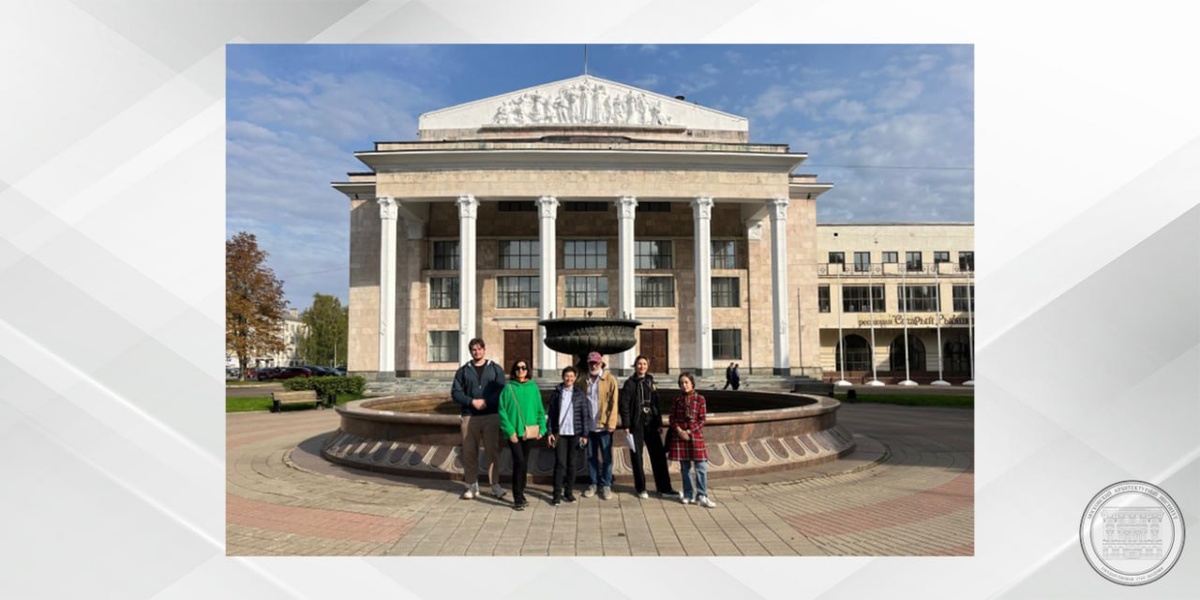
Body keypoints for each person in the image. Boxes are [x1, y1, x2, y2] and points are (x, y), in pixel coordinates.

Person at [450, 337, 507, 500]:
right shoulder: (463, 371)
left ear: (484, 350)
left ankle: (495, 485)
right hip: (470, 416)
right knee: (469, 451)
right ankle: (471, 485)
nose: (477, 352)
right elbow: (456, 392)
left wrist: (487, 402)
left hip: (491, 416)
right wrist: (471, 401)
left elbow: (501, 390)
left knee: (492, 451)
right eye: (474, 350)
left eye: (479, 349)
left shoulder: (495, 369)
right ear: (471, 352)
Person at [619, 355, 681, 500]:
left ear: (647, 366)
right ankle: (641, 488)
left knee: (658, 455)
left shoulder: (651, 381)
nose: (642, 366)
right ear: (635, 366)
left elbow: (656, 403)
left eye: (644, 364)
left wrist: (659, 422)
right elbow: (624, 405)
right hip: (636, 424)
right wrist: (626, 425)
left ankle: (664, 488)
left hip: (651, 423)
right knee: (637, 456)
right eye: (639, 364)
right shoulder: (630, 384)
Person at [498, 358, 545, 511]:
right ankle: (517, 497)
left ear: (527, 370)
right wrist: (509, 431)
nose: (521, 370)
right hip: (514, 433)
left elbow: (540, 410)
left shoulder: (533, 388)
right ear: (514, 371)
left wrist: (542, 429)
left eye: (523, 368)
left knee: (524, 463)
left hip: (528, 433)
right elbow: (502, 411)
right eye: (518, 368)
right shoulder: (508, 388)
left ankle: (521, 492)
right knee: (518, 461)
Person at [668, 372, 717, 508]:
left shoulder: (700, 399)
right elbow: (672, 418)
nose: (684, 385)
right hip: (680, 436)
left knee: (701, 467)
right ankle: (688, 494)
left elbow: (702, 420)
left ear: (692, 383)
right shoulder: (677, 399)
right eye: (681, 383)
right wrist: (679, 431)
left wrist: (689, 431)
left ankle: (702, 495)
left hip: (695, 436)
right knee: (685, 468)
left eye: (686, 382)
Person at [546, 365, 591, 505]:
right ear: (563, 377)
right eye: (567, 376)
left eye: (572, 376)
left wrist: (584, 434)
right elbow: (551, 414)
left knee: (572, 464)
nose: (569, 379)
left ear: (575, 378)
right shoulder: (557, 393)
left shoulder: (579, 394)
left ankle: (569, 492)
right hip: (561, 434)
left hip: (575, 433)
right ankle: (556, 494)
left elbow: (584, 415)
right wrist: (549, 432)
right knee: (560, 463)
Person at [582, 351, 619, 500]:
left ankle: (606, 485)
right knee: (591, 456)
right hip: (589, 426)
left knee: (606, 457)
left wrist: (612, 422)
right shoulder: (584, 380)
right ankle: (593, 483)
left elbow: (614, 403)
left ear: (601, 363)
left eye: (596, 363)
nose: (593, 365)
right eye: (591, 363)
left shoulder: (609, 379)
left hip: (604, 425)